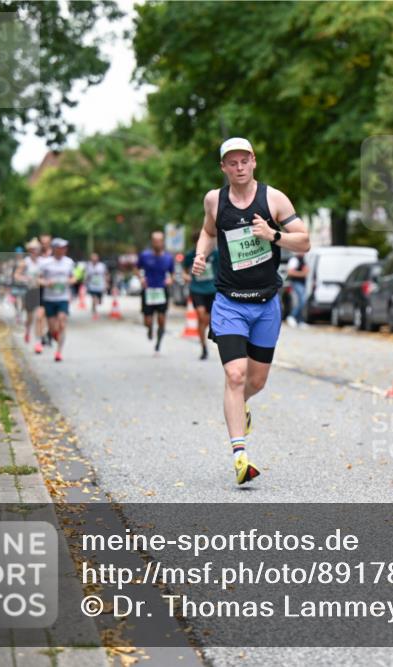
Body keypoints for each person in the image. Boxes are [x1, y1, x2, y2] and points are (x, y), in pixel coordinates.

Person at [192, 137, 310, 485]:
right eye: (232, 162)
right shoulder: (215, 200)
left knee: (256, 381)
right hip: (229, 303)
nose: (239, 167)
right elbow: (207, 230)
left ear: (254, 162)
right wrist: (201, 253)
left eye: (245, 161)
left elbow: (303, 241)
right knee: (235, 375)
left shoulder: (273, 198)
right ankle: (240, 455)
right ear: (223, 168)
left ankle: (238, 406)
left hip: (266, 304)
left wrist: (272, 235)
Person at [183, 231, 221, 360]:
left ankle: (206, 332)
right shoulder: (190, 255)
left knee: (208, 319)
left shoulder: (215, 254)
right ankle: (204, 347)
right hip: (197, 289)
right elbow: (184, 270)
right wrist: (187, 276)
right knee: (200, 315)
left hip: (212, 289)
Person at [38, 238, 76, 362]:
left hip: (63, 298)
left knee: (62, 322)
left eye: (65, 247)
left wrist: (68, 281)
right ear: (54, 248)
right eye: (60, 247)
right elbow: (38, 279)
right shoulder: (45, 263)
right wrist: (46, 283)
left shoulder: (69, 262)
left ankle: (59, 352)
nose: (63, 250)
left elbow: (74, 278)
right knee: (53, 328)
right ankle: (53, 334)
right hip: (49, 298)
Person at [137, 231, 174, 353]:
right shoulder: (144, 255)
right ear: (152, 242)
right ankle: (149, 328)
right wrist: (141, 278)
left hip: (161, 290)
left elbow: (172, 273)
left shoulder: (168, 257)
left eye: (160, 241)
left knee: (162, 319)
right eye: (155, 241)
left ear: (163, 242)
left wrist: (170, 279)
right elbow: (136, 268)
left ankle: (158, 342)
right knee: (147, 321)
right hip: (148, 290)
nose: (158, 243)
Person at [15, 239, 46, 353]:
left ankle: (38, 342)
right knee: (30, 317)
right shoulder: (25, 262)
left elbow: (47, 275)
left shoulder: (43, 262)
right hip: (30, 291)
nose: (34, 251)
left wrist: (43, 280)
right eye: (32, 249)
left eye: (36, 249)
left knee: (39, 317)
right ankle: (27, 330)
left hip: (41, 291)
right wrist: (25, 279)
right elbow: (17, 275)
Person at [285, 252, 309, 327]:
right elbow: (290, 272)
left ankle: (300, 320)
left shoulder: (303, 259)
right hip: (296, 283)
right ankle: (292, 316)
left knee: (302, 301)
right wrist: (302, 274)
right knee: (301, 300)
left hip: (302, 283)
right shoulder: (294, 260)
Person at [84, 252, 108, 319]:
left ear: (98, 258)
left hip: (100, 285)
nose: (94, 259)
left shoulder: (102, 266)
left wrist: (106, 284)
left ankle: (96, 304)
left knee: (99, 301)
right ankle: (94, 309)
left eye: (95, 257)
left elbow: (105, 274)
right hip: (92, 285)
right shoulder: (88, 266)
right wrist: (85, 283)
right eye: (92, 258)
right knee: (94, 298)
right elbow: (87, 276)